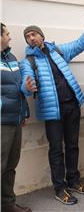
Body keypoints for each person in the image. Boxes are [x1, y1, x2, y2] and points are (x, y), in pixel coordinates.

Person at [20, 11, 84, 205]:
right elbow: (25, 83)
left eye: (34, 34)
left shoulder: (59, 51)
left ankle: (73, 180)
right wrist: (27, 88)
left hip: (72, 105)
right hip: (52, 112)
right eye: (28, 36)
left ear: (42, 36)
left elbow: (80, 44)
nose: (31, 38)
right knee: (56, 150)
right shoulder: (28, 61)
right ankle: (60, 188)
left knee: (73, 145)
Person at [1, 23, 32, 212]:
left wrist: (24, 110)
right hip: (2, 122)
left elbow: (18, 88)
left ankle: (7, 204)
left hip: (15, 119)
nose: (10, 37)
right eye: (7, 33)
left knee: (11, 166)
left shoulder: (11, 58)